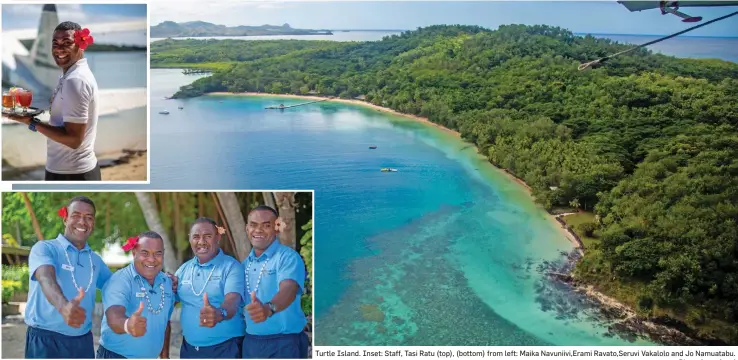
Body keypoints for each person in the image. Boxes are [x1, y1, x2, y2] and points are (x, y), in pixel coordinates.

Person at [5, 21, 100, 181]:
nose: (59, 49)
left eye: (67, 43)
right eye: (55, 43)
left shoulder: (75, 80)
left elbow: (74, 140)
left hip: (72, 173)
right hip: (73, 169)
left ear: (81, 45)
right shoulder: (73, 74)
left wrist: (31, 122)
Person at [24, 196, 112, 358]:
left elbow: (116, 286)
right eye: (76, 215)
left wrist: (160, 280)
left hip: (82, 341)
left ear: (93, 223)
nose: (82, 222)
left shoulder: (95, 260)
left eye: (88, 217)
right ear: (65, 219)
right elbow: (45, 277)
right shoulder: (45, 248)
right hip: (45, 339)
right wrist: (63, 306)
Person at [242, 206, 310, 359]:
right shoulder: (245, 264)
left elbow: (289, 289)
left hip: (284, 344)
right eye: (253, 225)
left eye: (266, 225)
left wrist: (268, 308)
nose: (258, 230)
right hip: (251, 343)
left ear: (277, 228)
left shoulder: (288, 257)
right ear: (247, 229)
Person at [174, 217, 245, 358]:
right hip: (189, 349)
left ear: (218, 237)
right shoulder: (183, 270)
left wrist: (220, 313)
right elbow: (169, 301)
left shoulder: (232, 267)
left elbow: (232, 300)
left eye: (207, 236)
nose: (201, 242)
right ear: (190, 239)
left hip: (225, 348)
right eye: (196, 237)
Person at [97, 231, 176, 359]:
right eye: (145, 253)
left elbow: (164, 322)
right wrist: (127, 325)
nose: (151, 259)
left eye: (158, 253)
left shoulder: (167, 282)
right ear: (134, 253)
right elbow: (113, 315)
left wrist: (165, 356)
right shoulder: (120, 280)